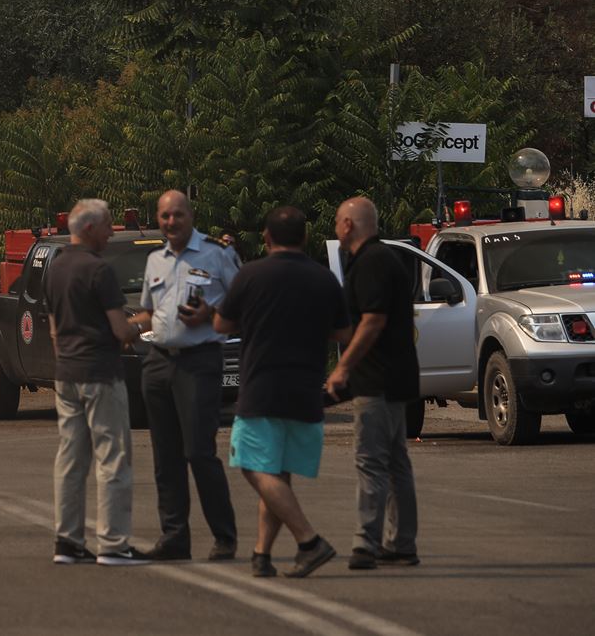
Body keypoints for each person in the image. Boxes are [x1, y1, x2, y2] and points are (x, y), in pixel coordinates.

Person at [213, 205, 351, 578]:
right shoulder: (324, 279)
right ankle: (262, 554)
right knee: (279, 474)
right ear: (304, 238)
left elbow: (222, 325)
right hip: (306, 390)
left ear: (267, 237)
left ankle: (309, 541)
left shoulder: (251, 275)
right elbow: (343, 334)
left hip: (262, 388)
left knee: (251, 467)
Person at [129, 189, 240, 562]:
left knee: (199, 452)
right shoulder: (154, 260)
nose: (171, 222)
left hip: (199, 361)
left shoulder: (217, 253)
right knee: (166, 456)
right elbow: (149, 312)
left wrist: (209, 313)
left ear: (190, 215)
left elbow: (243, 305)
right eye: (164, 216)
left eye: (177, 215)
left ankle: (224, 537)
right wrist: (122, 329)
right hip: (159, 361)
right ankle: (174, 537)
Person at [45, 199, 150, 566]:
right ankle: (114, 544)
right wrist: (149, 321)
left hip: (67, 374)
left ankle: (68, 541)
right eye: (107, 225)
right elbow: (121, 329)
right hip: (101, 374)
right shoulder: (99, 270)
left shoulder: (56, 267)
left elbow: (54, 328)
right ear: (89, 229)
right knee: (113, 459)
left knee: (71, 459)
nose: (111, 231)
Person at [326, 196, 420, 570]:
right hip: (394, 379)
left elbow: (373, 321)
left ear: (348, 224)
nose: (335, 227)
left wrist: (342, 368)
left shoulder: (372, 261)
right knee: (396, 463)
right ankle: (401, 544)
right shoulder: (381, 259)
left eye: (337, 221)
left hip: (377, 380)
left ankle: (366, 543)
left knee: (371, 462)